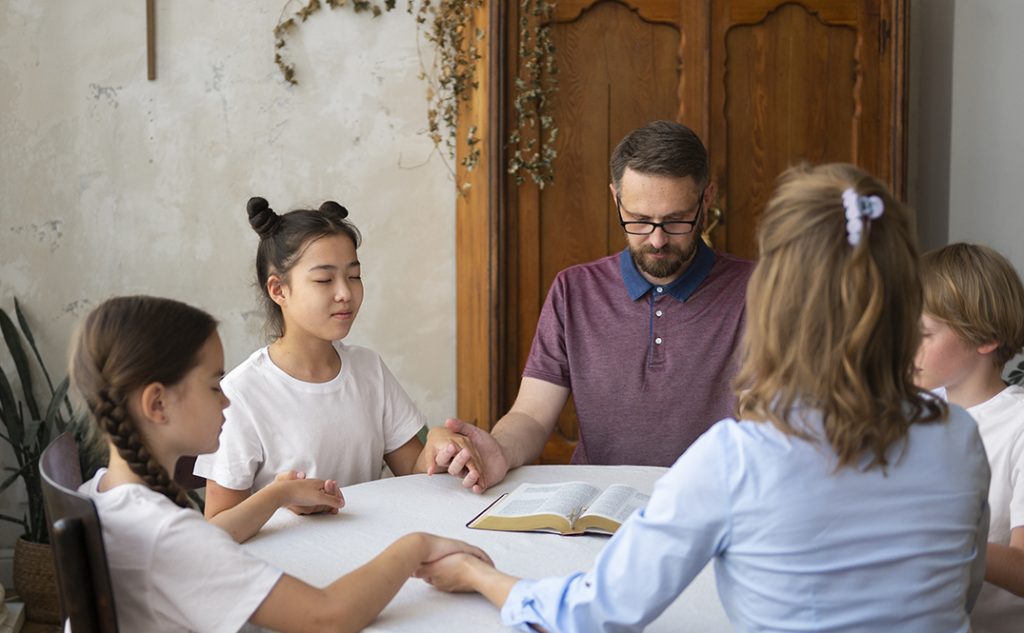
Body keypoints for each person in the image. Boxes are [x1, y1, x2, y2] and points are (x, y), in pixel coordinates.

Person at [415, 163, 991, 632]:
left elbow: (589, 616)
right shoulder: (959, 437)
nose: (658, 237)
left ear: (773, 299)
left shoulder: (740, 457)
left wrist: (476, 576)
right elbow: (960, 596)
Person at [68, 295, 489, 632]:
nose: (227, 398)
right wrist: (417, 546)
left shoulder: (105, 493)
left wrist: (279, 492)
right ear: (157, 403)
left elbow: (204, 538)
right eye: (215, 385)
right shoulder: (165, 534)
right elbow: (328, 617)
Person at [431, 120, 755, 491]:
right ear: (616, 198)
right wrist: (499, 449)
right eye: (638, 220)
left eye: (676, 220)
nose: (658, 239)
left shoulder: (760, 291)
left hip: (714, 503)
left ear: (706, 199)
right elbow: (532, 415)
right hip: (596, 508)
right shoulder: (574, 289)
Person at [194, 197, 465, 518]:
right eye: (324, 280)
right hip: (289, 562)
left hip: (371, 551)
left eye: (354, 276)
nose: (345, 293)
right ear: (278, 289)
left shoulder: (369, 369)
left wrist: (438, 443)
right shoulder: (241, 393)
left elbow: (417, 478)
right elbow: (217, 525)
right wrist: (279, 498)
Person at [914, 242, 1024, 633]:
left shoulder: (1018, 426)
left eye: (922, 333)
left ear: (984, 339)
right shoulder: (911, 419)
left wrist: (943, 536)